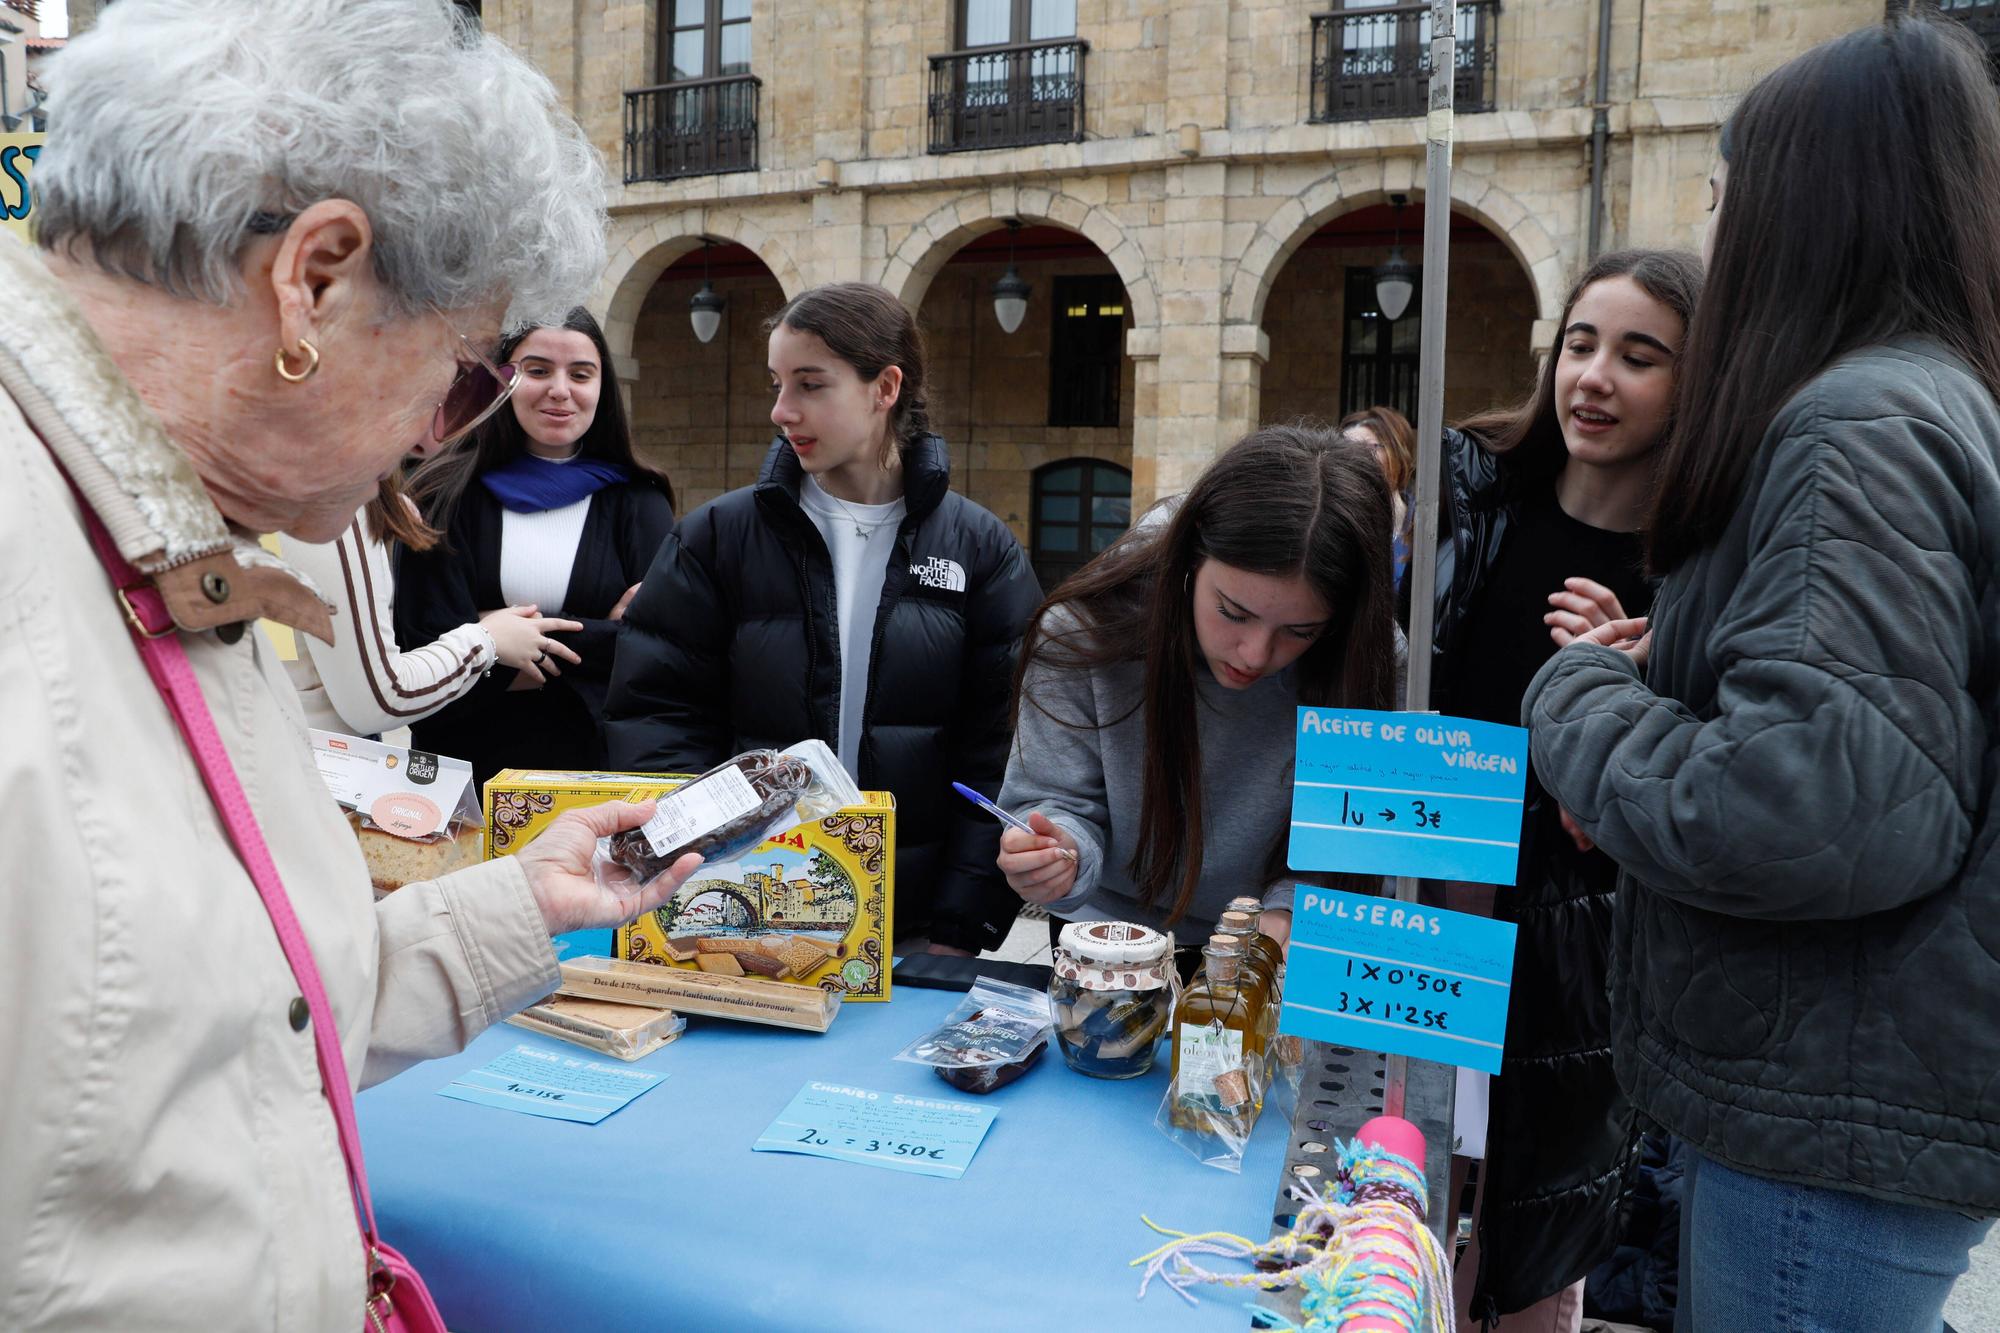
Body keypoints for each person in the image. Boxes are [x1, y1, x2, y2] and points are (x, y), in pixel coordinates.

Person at [0, 3, 702, 1326]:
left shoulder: (155, 538)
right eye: (456, 372)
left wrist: (524, 904)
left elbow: (206, 1030)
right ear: (314, 280)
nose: (443, 430)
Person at [1524, 17, 2000, 1328]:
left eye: (1727, 201)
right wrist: (1679, 675)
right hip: (1857, 1096)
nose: (1717, 239)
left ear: (1803, 211)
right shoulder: (1929, 399)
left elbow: (1814, 803)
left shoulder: (1853, 427)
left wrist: (1584, 699)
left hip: (1828, 1120)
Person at [1420, 249, 1702, 1332]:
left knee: (1541, 1232)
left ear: (1696, 382)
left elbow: (1705, 777)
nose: (1593, 377)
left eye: (1638, 357)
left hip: (1582, 941)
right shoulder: (1470, 493)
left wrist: (1638, 678)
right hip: (1432, 897)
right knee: (1402, 1188)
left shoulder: (1701, 569)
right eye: (1579, 345)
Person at [604, 283, 1041, 957]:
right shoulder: (716, 538)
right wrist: (703, 876)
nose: (783, 410)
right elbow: (656, 718)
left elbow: (1005, 751)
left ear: (885, 386)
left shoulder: (980, 548)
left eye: (810, 384)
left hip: (916, 927)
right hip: (740, 915)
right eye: (777, 383)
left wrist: (958, 927)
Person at [995, 425, 1398, 954]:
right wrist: (1057, 850)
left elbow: (1354, 832)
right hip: (1108, 935)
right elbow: (1055, 797)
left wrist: (1289, 913)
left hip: (1276, 941)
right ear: (1188, 564)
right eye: (1233, 612)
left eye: (1301, 631)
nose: (1254, 654)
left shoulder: (1372, 657)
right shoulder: (1083, 629)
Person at [397, 308, 677, 787]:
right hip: (468, 770)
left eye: (581, 374)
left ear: (602, 389)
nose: (560, 390)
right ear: (502, 380)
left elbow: (656, 651)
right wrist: (599, 634)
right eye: (538, 370)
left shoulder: (640, 501)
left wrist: (491, 636)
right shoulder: (442, 495)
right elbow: (422, 646)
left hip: (596, 770)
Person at [282, 477, 584, 738]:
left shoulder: (273, 491)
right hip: (314, 770)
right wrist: (486, 639)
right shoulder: (331, 501)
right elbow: (379, 700)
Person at [1340, 404, 1415, 588]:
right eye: (1344, 447)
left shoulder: (1423, 529)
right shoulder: (1330, 518)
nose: (1354, 457)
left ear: (1398, 454)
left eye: (1369, 448)